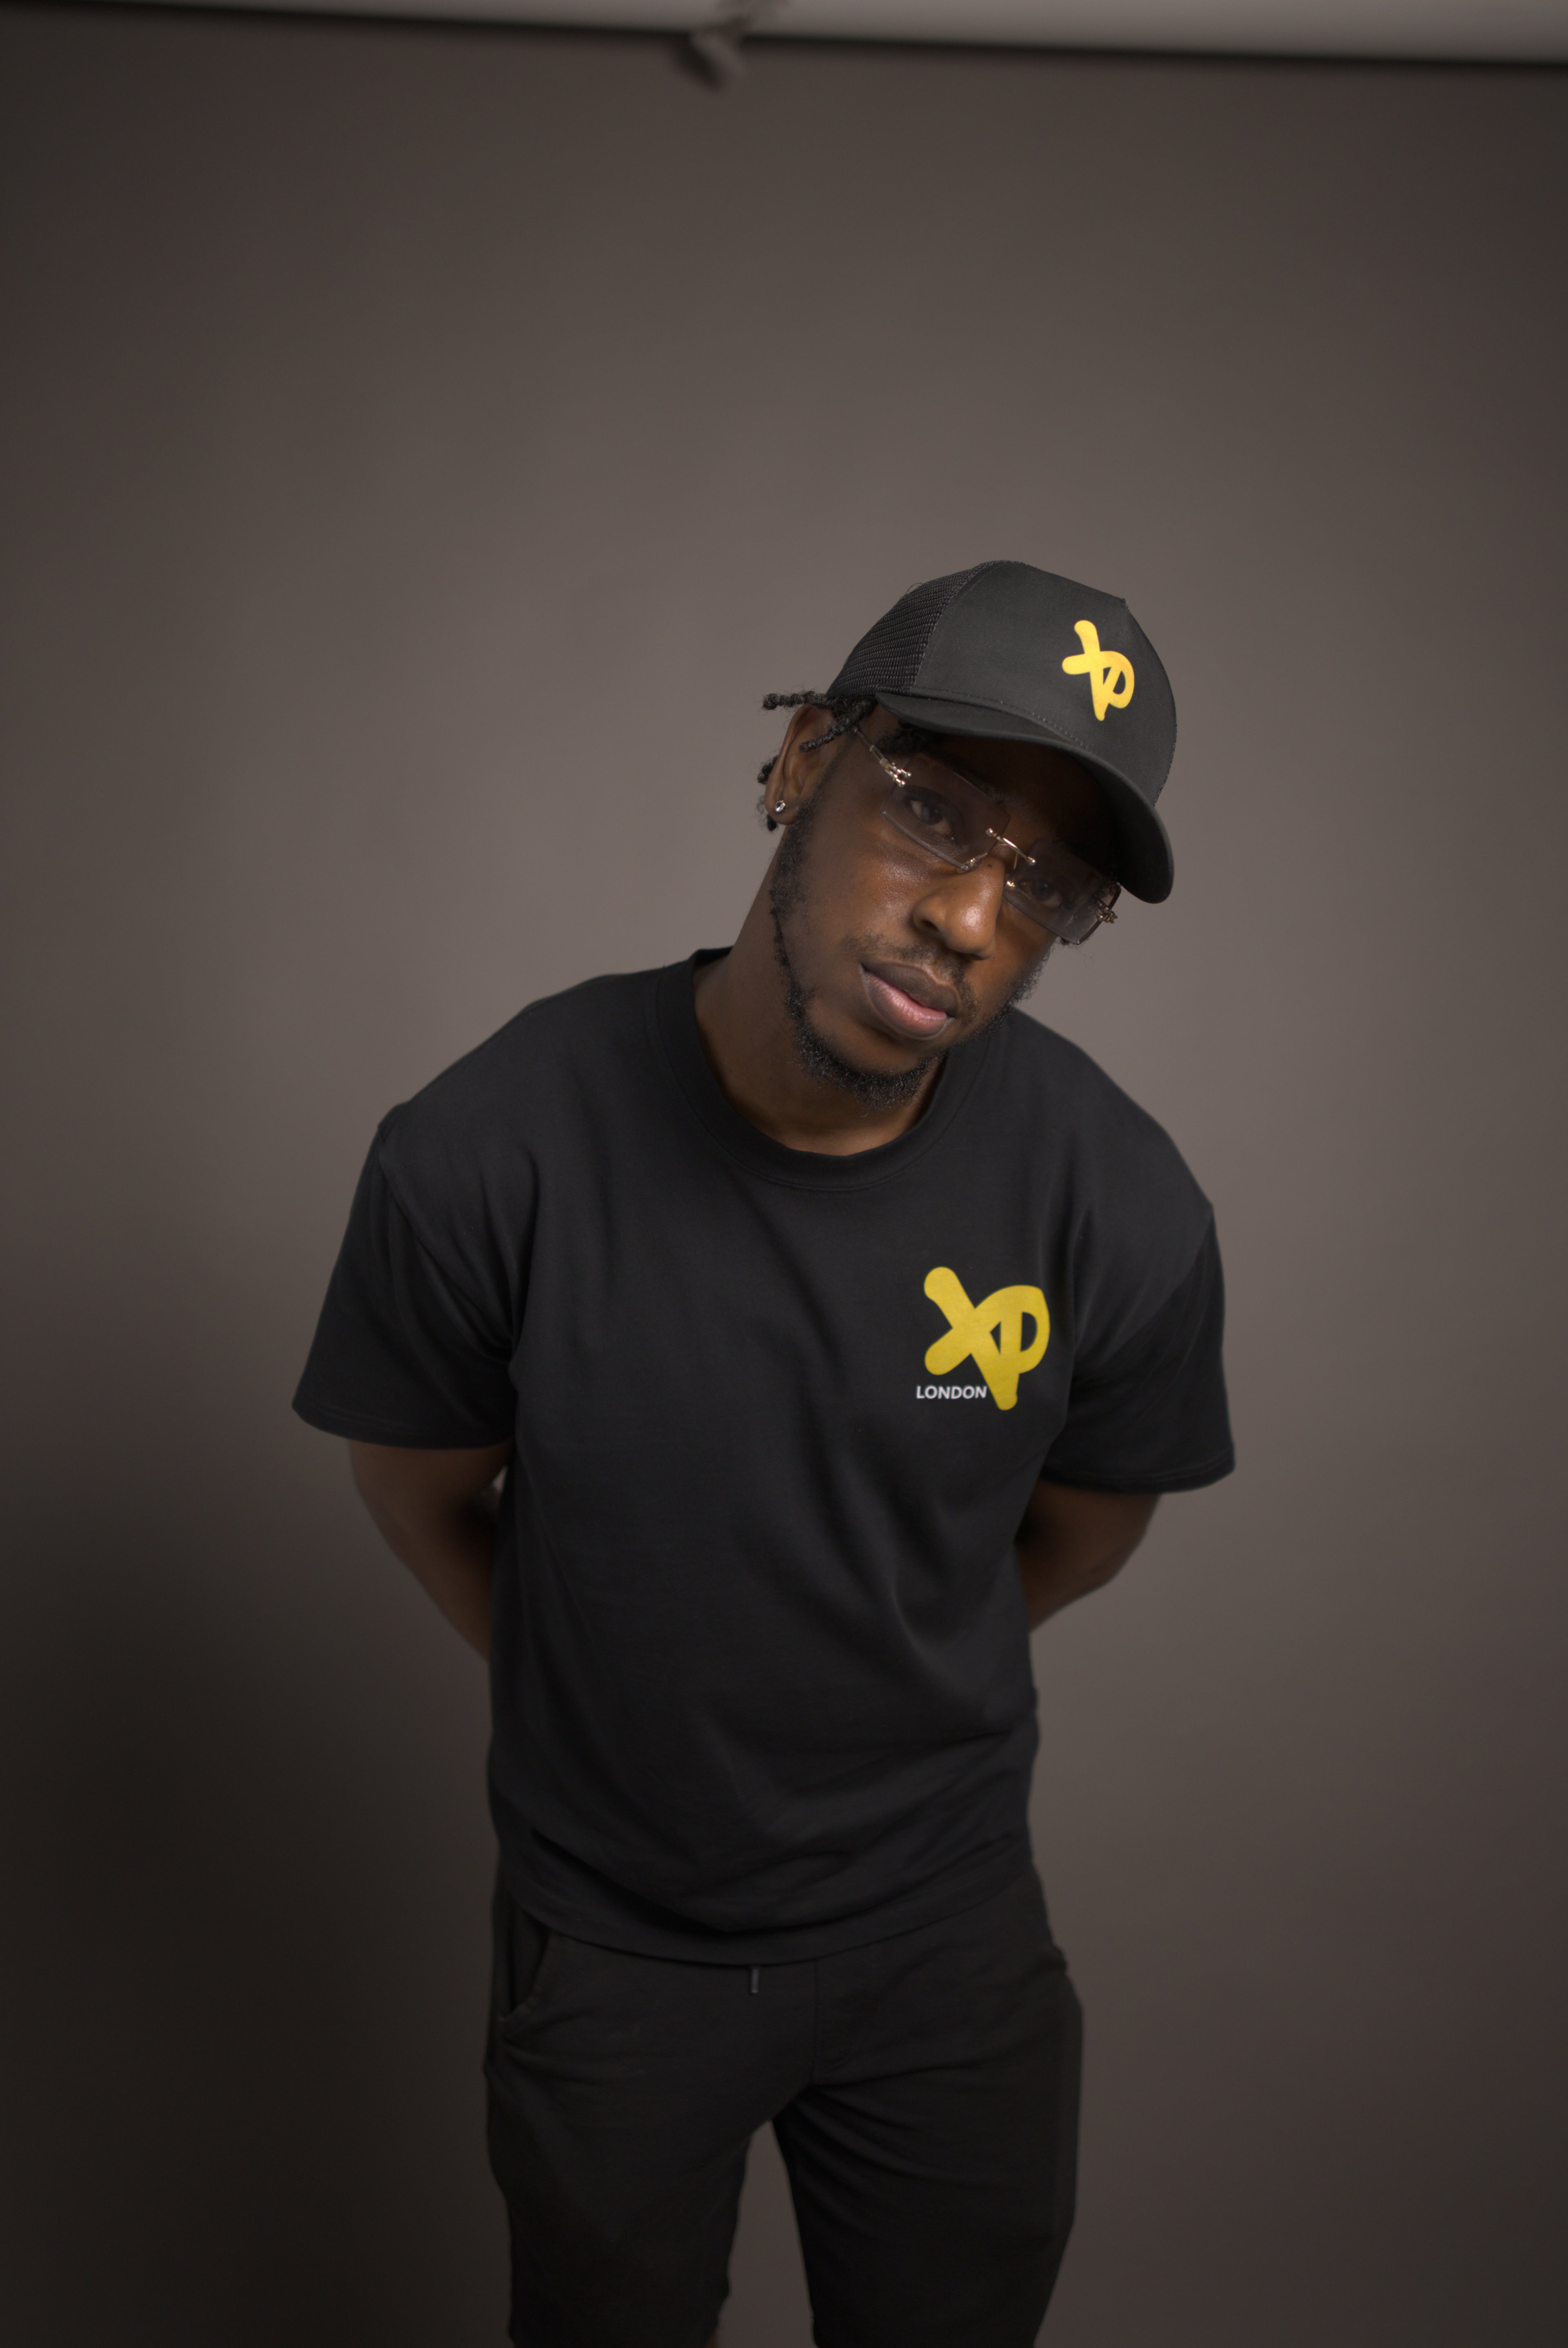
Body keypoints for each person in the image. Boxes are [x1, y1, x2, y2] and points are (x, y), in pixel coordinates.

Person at [293, 559, 1234, 2348]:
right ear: (808, 758)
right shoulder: (492, 1150)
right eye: (935, 812)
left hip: (950, 1943)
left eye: (1044, 882)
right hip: (619, 1950)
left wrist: (878, 1674)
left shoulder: (1117, 1202)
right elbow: (419, 1489)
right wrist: (616, 1702)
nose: (970, 913)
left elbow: (1094, 1524)